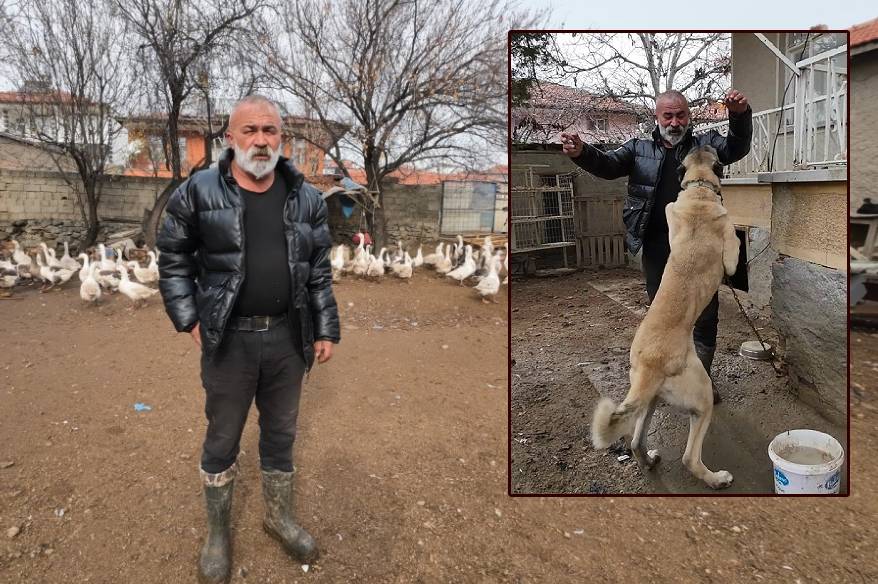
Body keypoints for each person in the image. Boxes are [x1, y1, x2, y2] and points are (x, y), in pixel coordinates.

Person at [157, 95, 340, 583]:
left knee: (281, 435)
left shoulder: (306, 198)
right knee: (223, 438)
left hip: (287, 339)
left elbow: (318, 270)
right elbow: (172, 258)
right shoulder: (198, 191)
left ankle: (278, 517)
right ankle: (218, 534)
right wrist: (190, 319)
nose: (261, 140)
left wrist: (325, 327)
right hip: (229, 342)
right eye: (250, 130)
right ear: (230, 138)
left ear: (282, 139)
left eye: (270, 131)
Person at [562, 89, 752, 404]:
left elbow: (736, 146)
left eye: (681, 115)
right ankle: (671, 376)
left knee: (705, 316)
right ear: (657, 117)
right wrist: (582, 152)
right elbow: (608, 165)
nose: (675, 122)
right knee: (665, 316)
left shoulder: (705, 147)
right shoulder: (637, 149)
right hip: (656, 246)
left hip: (700, 249)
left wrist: (739, 115)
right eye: (668, 116)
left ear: (688, 116)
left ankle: (702, 382)